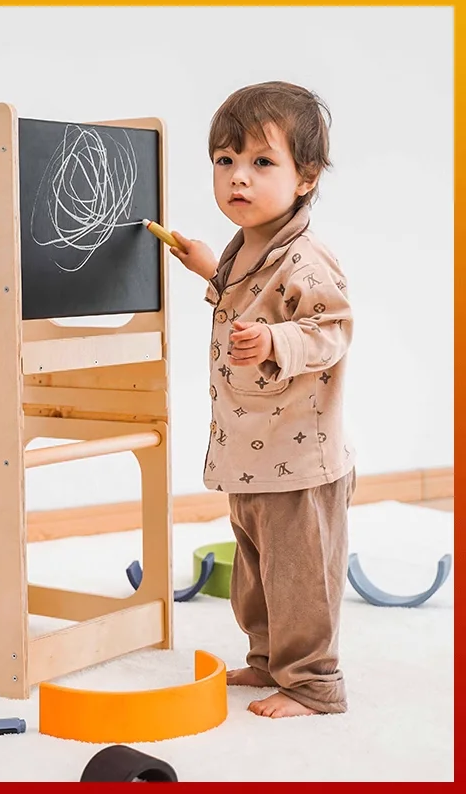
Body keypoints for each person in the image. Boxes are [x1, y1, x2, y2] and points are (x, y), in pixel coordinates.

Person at [170, 81, 356, 718]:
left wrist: (276, 339)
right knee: (255, 570)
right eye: (225, 162)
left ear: (305, 178)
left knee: (300, 574)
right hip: (250, 448)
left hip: (298, 457)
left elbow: (331, 331)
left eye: (260, 162)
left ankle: (313, 682)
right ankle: (268, 657)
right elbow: (240, 296)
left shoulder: (307, 259)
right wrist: (206, 269)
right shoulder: (247, 245)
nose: (237, 179)